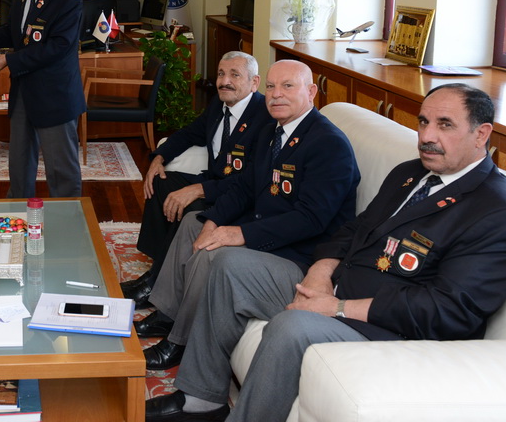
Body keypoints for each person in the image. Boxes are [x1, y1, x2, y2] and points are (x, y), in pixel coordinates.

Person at [145, 83, 506, 422]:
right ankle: (201, 399)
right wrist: (319, 273)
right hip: (334, 286)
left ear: (482, 134)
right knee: (230, 264)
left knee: (292, 327)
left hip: (384, 329)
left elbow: (446, 311)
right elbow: (353, 229)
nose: (427, 136)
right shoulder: (411, 173)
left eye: (445, 125)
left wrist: (337, 307)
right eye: (423, 122)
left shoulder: (499, 214)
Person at [139, 59, 359, 371]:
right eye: (271, 86)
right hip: (266, 229)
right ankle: (167, 314)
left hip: (298, 254)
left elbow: (310, 219)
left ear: (311, 92)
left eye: (287, 86)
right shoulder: (272, 131)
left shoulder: (329, 144)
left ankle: (180, 342)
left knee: (212, 254)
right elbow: (245, 186)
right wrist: (213, 220)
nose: (276, 94)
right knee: (193, 223)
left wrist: (239, 234)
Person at [121, 51, 270, 306]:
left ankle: (155, 286)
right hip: (213, 180)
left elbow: (252, 179)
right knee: (161, 182)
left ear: (254, 82)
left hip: (238, 195)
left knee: (190, 207)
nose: (225, 81)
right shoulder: (219, 104)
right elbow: (191, 133)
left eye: (235, 75)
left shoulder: (265, 117)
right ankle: (158, 268)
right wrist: (159, 157)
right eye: (221, 74)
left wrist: (199, 189)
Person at [0, 0, 85, 198]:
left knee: (61, 172)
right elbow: (12, 34)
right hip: (23, 94)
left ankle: (67, 217)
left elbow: (58, 47)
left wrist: (9, 60)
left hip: (55, 97)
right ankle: (18, 213)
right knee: (19, 165)